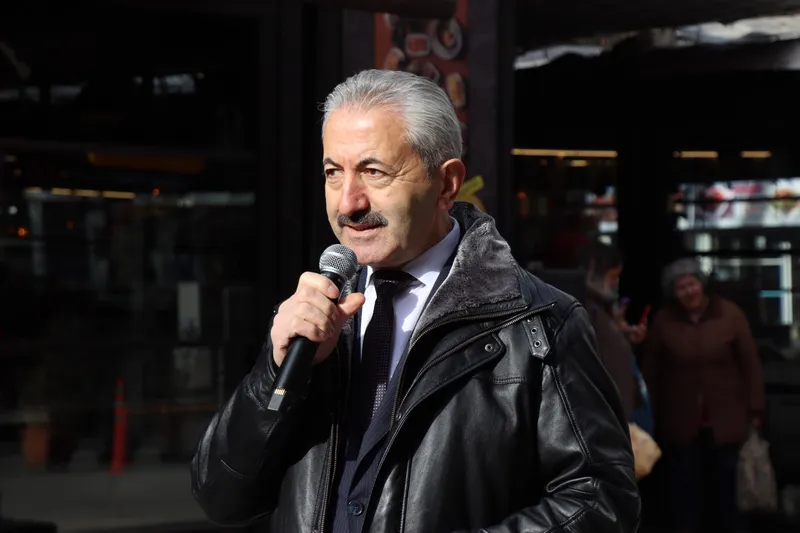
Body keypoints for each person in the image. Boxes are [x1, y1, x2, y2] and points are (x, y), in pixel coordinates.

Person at [191, 69, 639, 533]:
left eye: (373, 172)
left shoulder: (539, 323)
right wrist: (276, 371)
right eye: (333, 173)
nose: (348, 203)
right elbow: (221, 498)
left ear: (446, 184)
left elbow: (602, 500)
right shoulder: (311, 315)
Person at [642, 258, 765, 533]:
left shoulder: (730, 314)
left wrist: (756, 409)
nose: (689, 292)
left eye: (692, 284)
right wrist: (649, 416)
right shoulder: (663, 321)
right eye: (681, 287)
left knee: (729, 494)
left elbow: (751, 365)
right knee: (684, 495)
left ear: (702, 284)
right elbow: (651, 372)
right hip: (680, 422)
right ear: (673, 292)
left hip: (727, 420)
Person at [580, 241, 652, 435]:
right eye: (612, 277)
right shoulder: (585, 311)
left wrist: (622, 335)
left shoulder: (602, 310)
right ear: (593, 272)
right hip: (604, 423)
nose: (615, 283)